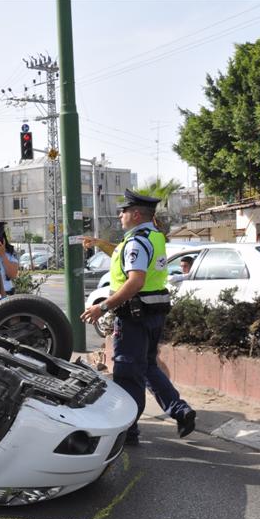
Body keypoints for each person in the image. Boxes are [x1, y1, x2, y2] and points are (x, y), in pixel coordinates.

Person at [80, 189, 196, 446]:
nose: (120, 214)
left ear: (135, 214)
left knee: (127, 374)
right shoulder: (152, 237)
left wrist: (103, 307)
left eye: (123, 211)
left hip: (133, 317)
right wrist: (101, 245)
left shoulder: (135, 242)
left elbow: (135, 280)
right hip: (153, 313)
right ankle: (180, 410)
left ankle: (128, 431)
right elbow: (129, 260)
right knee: (148, 367)